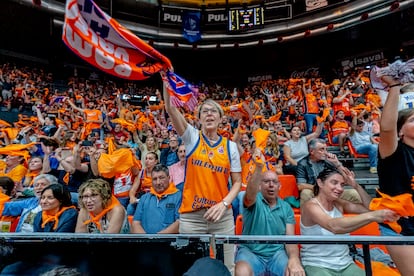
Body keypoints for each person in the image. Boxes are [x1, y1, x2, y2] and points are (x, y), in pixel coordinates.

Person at [162, 76, 242, 273]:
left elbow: (238, 182)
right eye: (204, 111)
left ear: (221, 118)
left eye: (213, 110)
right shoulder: (191, 138)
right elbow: (171, 108)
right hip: (191, 217)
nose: (209, 114)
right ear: (198, 119)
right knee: (190, 268)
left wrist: (224, 204)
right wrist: (166, 81)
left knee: (227, 267)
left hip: (221, 217)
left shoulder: (230, 146)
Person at [300, 166, 399, 276]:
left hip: (345, 264)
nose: (340, 188)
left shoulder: (339, 204)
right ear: (320, 183)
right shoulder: (310, 206)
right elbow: (333, 226)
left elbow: (372, 208)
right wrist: (371, 216)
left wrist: (355, 186)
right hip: (317, 264)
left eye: (342, 185)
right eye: (334, 183)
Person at [235, 148, 305, 276]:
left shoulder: (286, 207)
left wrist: (294, 260)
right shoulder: (253, 201)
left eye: (275, 182)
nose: (271, 185)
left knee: (295, 272)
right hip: (250, 253)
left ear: (280, 186)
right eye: (266, 181)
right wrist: (258, 167)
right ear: (260, 186)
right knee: (242, 271)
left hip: (277, 254)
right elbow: (249, 195)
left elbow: (290, 239)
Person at [374, 76, 414, 275]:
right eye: (413, 119)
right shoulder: (393, 152)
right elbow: (386, 127)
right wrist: (395, 87)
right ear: (400, 131)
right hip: (399, 226)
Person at [296, 138, 361, 206]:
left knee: (354, 193)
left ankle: (358, 216)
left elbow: (346, 180)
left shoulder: (328, 161)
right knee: (306, 193)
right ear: (311, 151)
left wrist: (337, 163)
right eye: (322, 149)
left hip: (332, 191)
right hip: (315, 192)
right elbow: (300, 185)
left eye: (326, 149)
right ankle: (308, 215)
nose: (325, 152)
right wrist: (321, 189)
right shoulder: (303, 163)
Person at [131, 164, 181, 234]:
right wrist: (146, 240)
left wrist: (158, 238)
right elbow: (136, 222)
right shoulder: (144, 198)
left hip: (169, 243)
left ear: (169, 178)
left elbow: (180, 222)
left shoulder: (178, 196)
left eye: (161, 178)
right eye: (155, 179)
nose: (158, 182)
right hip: (146, 243)